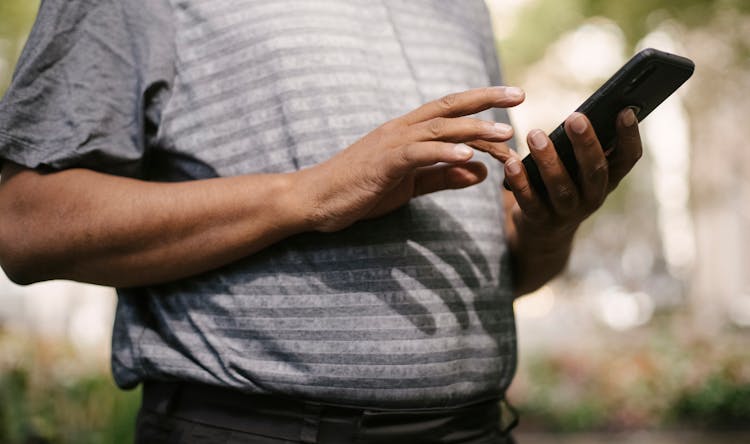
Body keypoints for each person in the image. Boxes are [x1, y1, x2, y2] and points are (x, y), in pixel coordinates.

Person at [0, 0, 642, 443]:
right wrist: (307, 195)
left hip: (477, 426)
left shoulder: (458, 7)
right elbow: (24, 225)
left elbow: (505, 275)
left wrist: (549, 224)